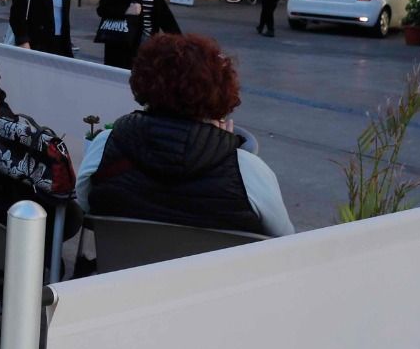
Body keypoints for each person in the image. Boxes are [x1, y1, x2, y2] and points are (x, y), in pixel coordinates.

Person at [78, 33, 293, 236]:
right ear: (220, 94)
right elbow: (286, 241)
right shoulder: (247, 171)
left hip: (125, 272)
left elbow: (86, 207)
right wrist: (216, 146)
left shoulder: (104, 148)